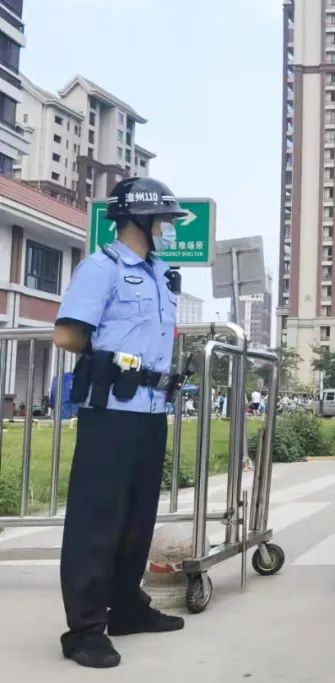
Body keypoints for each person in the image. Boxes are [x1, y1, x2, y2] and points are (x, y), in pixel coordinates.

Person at [53, 177, 188, 669]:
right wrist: (114, 359)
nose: (169, 229)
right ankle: (85, 629)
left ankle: (127, 607)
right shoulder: (102, 268)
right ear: (137, 221)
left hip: (151, 411)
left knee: (137, 518)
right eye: (164, 221)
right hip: (111, 411)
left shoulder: (159, 273)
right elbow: (67, 335)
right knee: (96, 522)